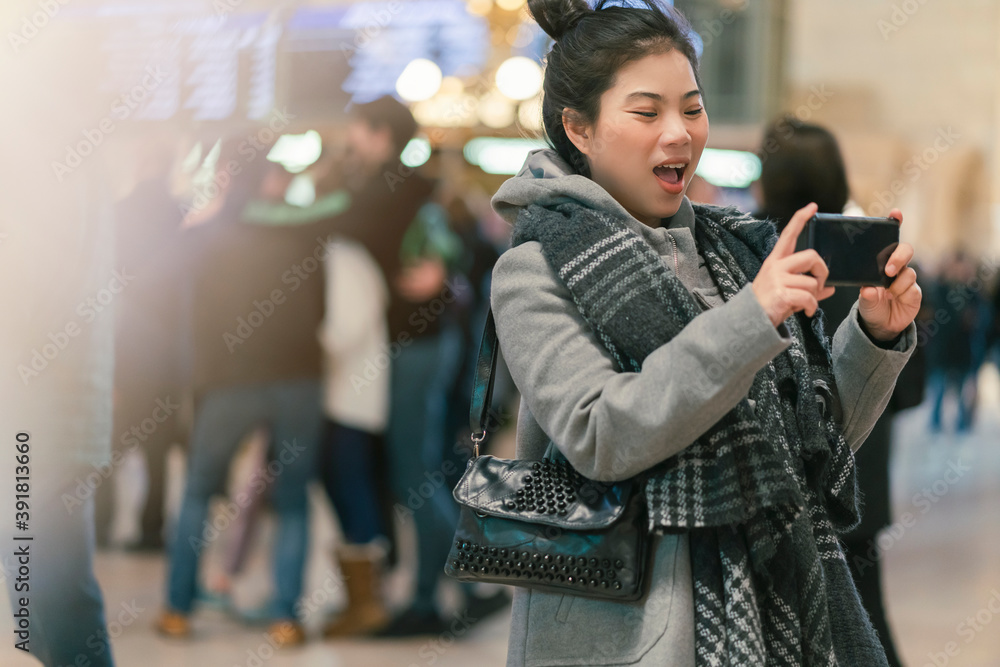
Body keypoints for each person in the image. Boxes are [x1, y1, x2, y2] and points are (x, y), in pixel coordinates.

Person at [489, 1, 922, 665]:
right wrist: (750, 319)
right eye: (646, 111)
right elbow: (601, 432)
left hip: (771, 613)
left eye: (691, 109)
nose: (679, 134)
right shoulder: (536, 265)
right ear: (579, 127)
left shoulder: (734, 249)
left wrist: (873, 336)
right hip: (625, 635)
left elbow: (813, 444)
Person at [756, 116, 923, 667]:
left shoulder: (745, 264)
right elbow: (910, 391)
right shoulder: (864, 267)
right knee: (866, 629)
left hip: (771, 496)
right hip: (858, 484)